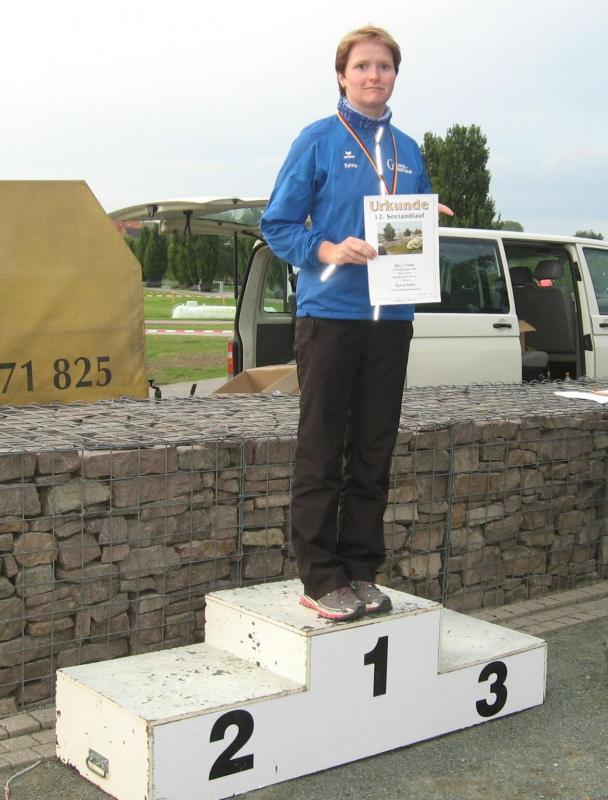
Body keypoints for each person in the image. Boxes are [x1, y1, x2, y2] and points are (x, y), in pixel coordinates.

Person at [261, 25, 451, 622]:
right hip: (331, 317)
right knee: (322, 449)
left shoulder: (408, 150)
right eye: (363, 65)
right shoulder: (318, 140)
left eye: (384, 66)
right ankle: (320, 576)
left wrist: (427, 218)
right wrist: (327, 249)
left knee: (374, 447)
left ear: (395, 75)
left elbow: (408, 228)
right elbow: (277, 224)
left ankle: (362, 567)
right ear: (342, 75)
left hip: (392, 318)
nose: (374, 75)